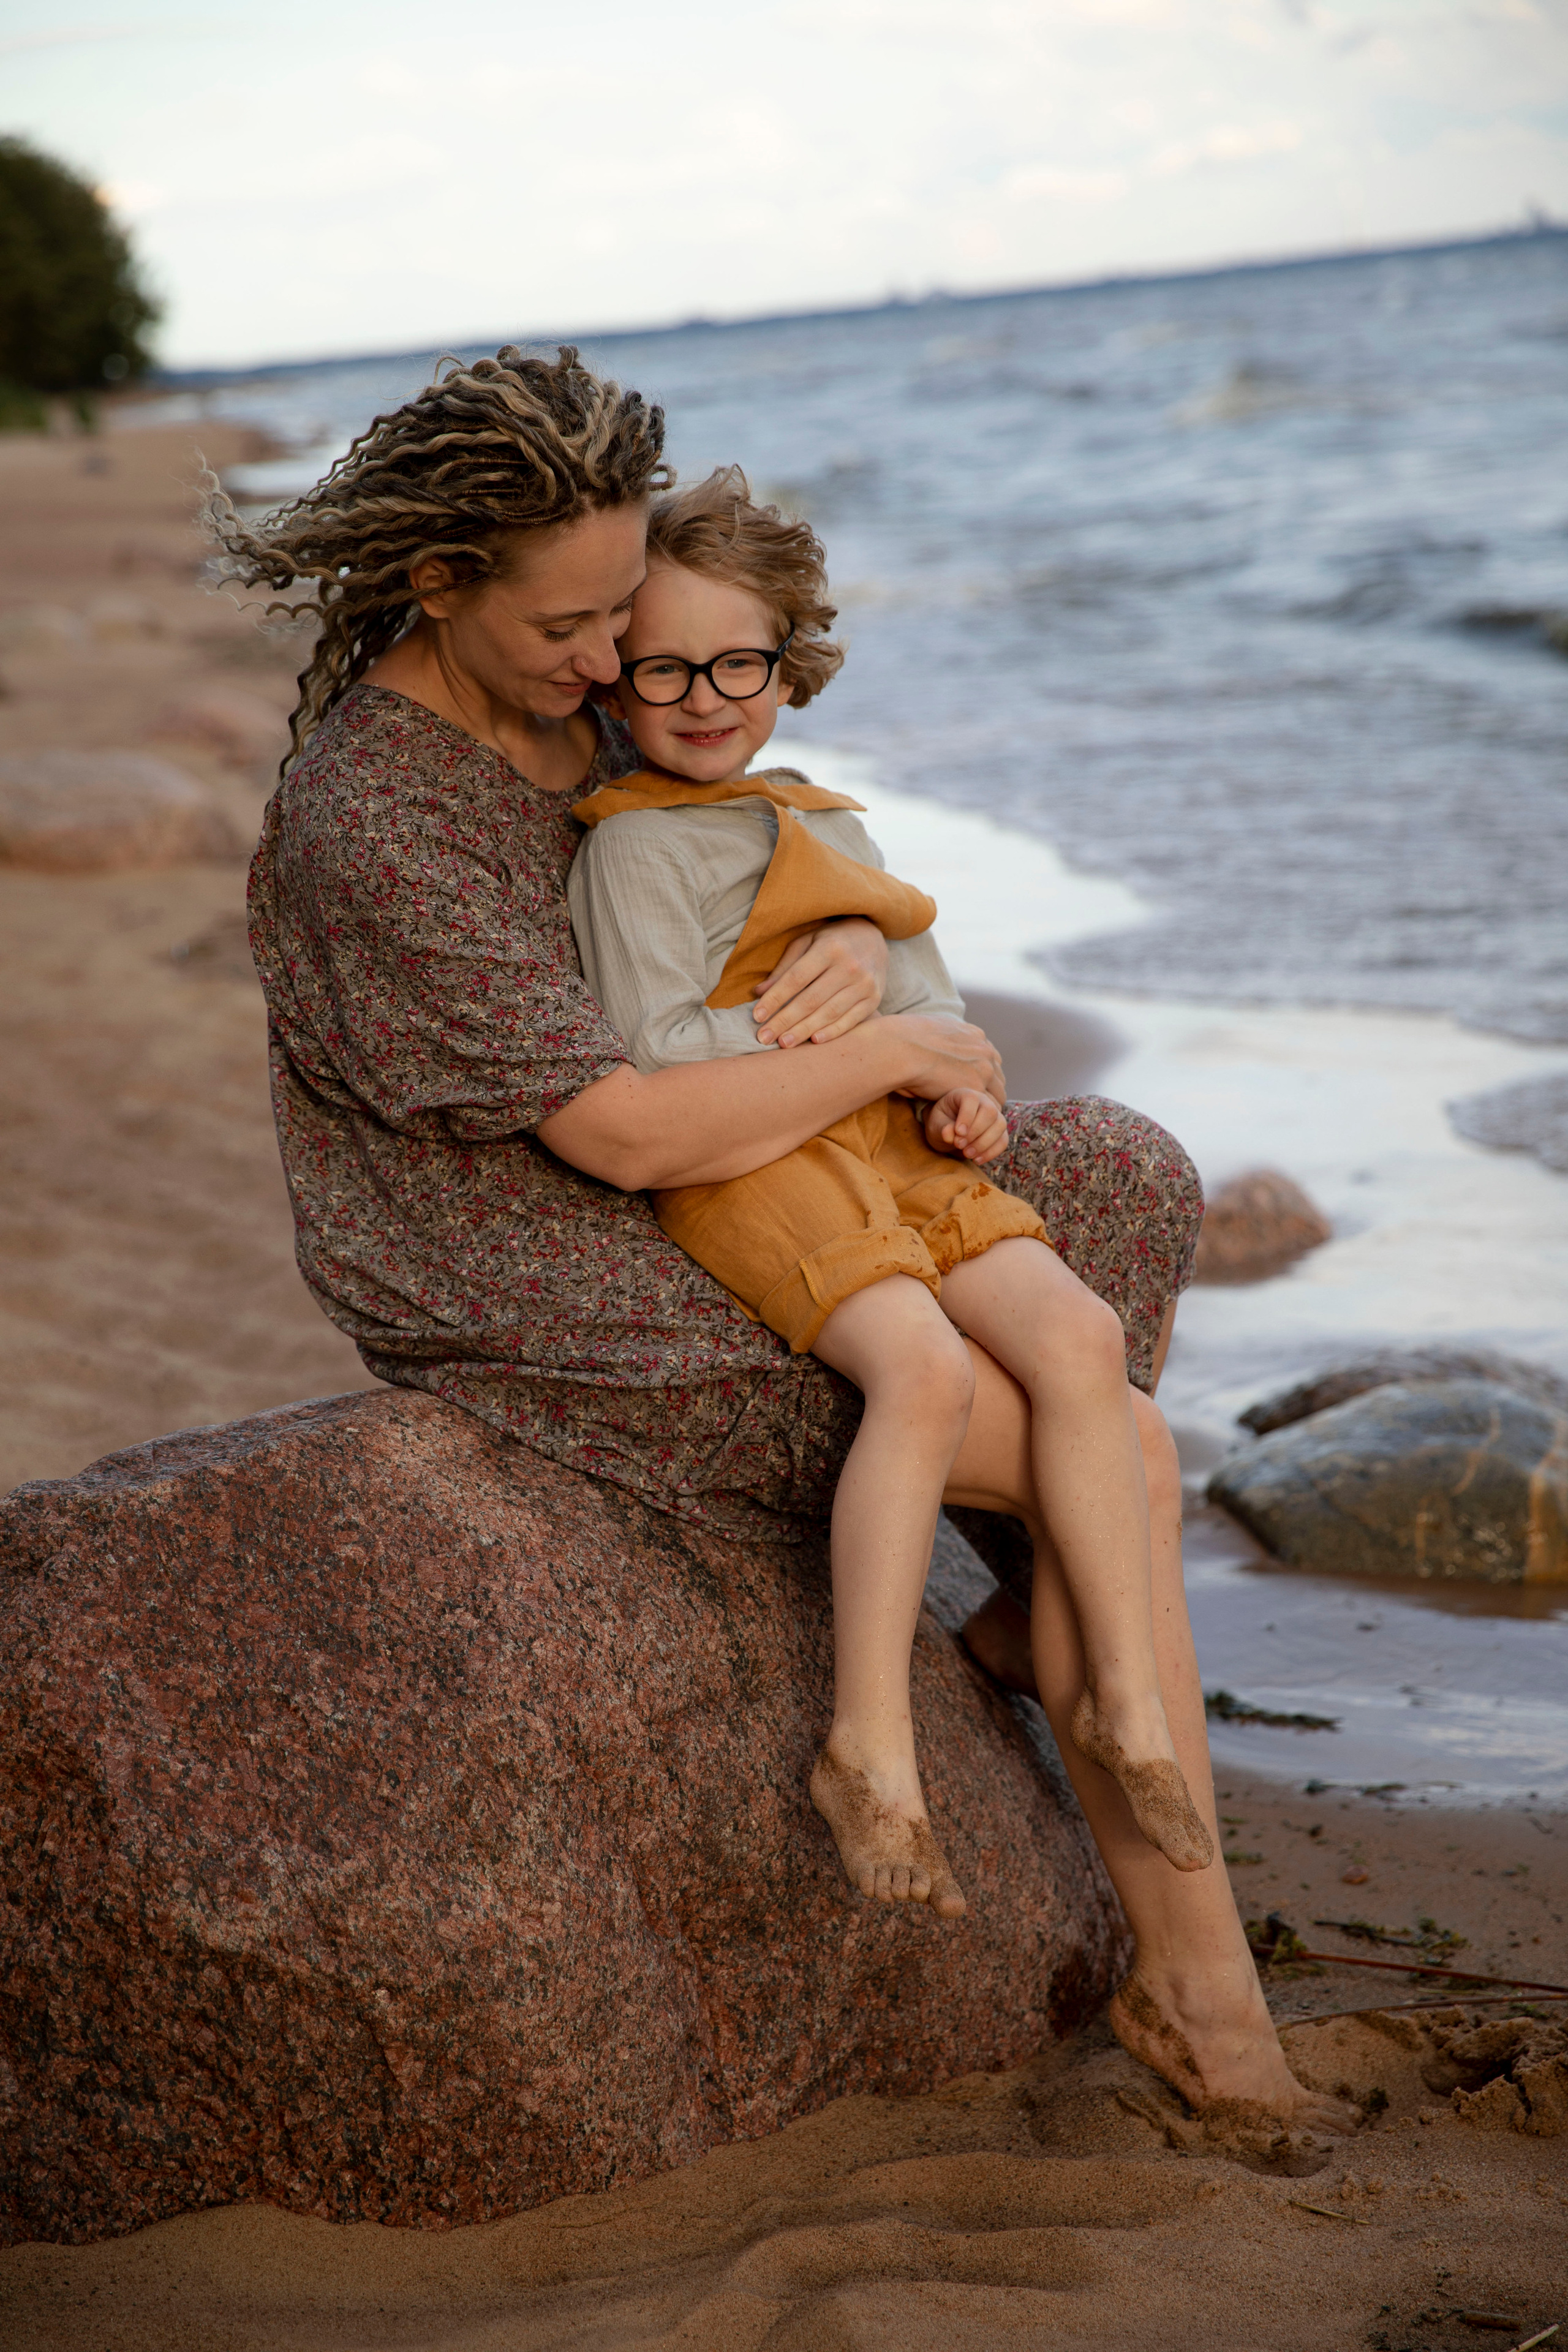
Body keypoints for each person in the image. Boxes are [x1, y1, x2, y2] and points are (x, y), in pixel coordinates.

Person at [217, 344, 1352, 2135]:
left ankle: (1021, 1613)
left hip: (742, 1154)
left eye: (628, 617)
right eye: (575, 628)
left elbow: (746, 877)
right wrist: (891, 1052)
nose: (612, 667)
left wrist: (847, 964)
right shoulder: (378, 818)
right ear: (436, 581)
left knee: (1120, 1167)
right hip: (535, 1261)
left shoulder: (611, 693)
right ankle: (1205, 1998)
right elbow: (619, 1122)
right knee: (1117, 1447)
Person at [567, 469, 1214, 1920]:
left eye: (737, 660)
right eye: (663, 666)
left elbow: (947, 1020)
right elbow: (657, 1054)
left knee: (1080, 1343)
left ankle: (1120, 1692)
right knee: (916, 1370)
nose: (703, 695)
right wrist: (862, 1041)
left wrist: (959, 1087)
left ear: (787, 660)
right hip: (759, 1163)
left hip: (903, 1152)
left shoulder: (833, 827)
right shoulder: (628, 849)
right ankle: (868, 1742)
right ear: (616, 681)